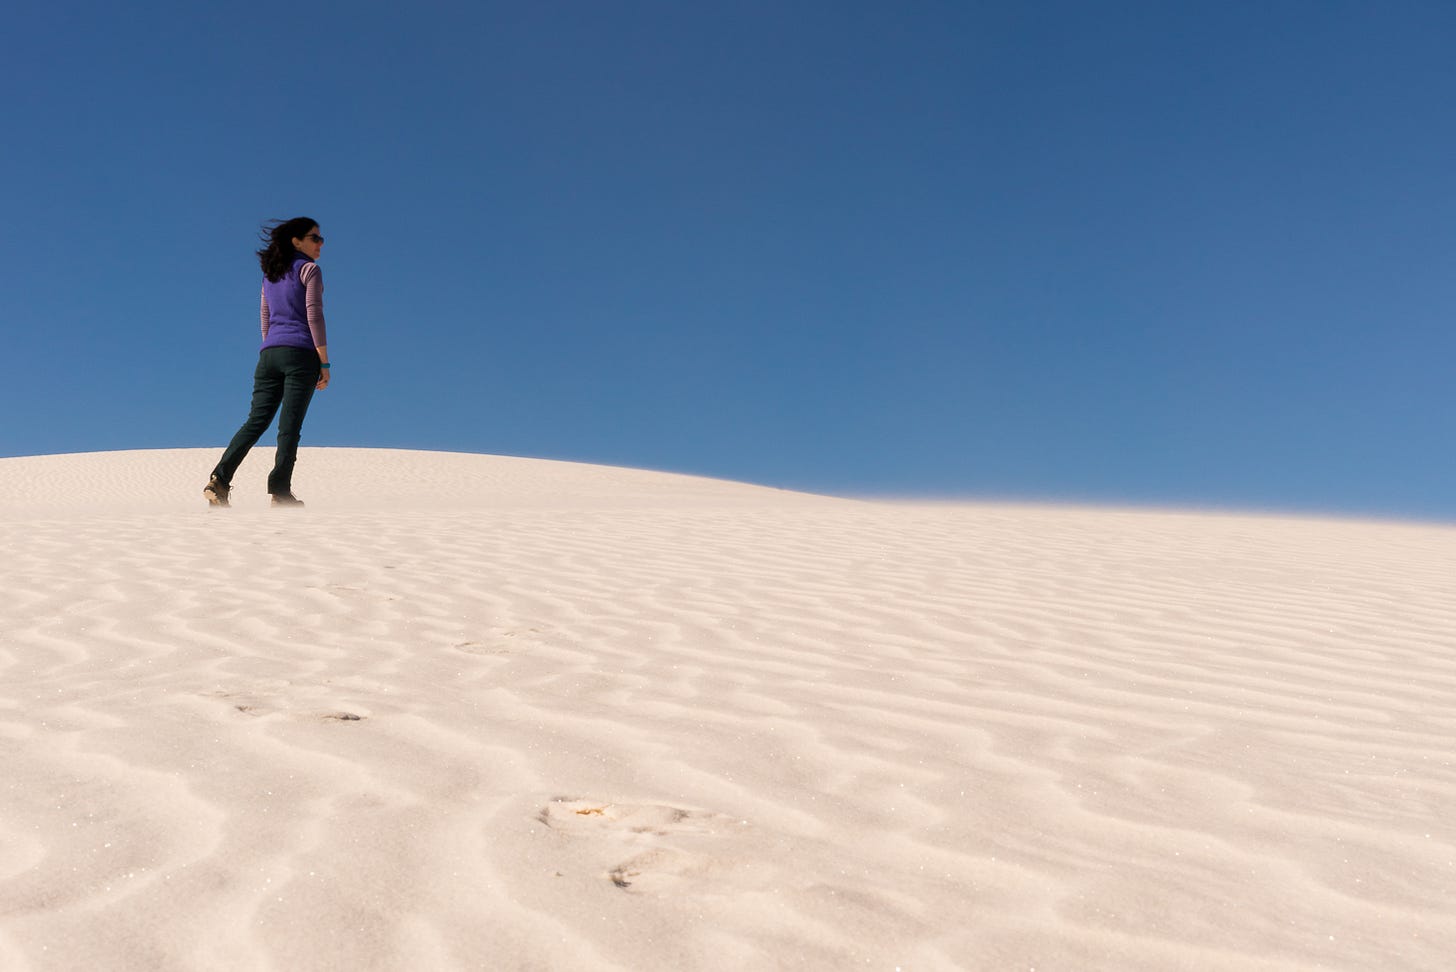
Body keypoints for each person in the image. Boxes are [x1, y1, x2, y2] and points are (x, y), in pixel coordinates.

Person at [204, 218, 331, 508]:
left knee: (255, 421)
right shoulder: (310, 270)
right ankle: (280, 491)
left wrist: (269, 345)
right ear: (296, 241)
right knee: (289, 426)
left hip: (269, 354)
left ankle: (219, 480)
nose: (321, 244)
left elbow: (265, 316)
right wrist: (324, 363)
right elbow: (314, 315)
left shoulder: (270, 275)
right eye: (315, 238)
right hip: (300, 354)